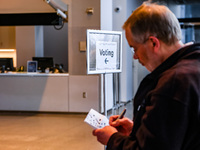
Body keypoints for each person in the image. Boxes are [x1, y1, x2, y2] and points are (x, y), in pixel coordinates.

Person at [93, 2, 200, 150]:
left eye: (134, 48)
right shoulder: (193, 66)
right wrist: (138, 130)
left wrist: (112, 139)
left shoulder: (172, 83)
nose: (135, 57)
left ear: (153, 43)